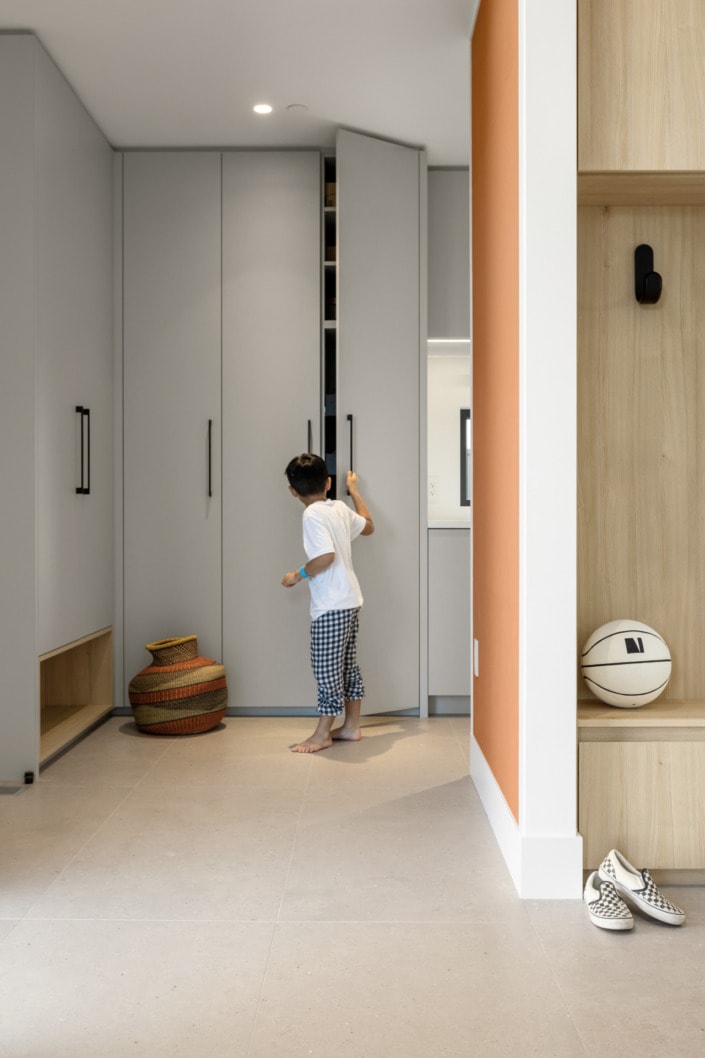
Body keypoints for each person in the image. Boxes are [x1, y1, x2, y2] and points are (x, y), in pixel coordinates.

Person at [281, 453, 374, 753]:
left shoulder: (312, 515)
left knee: (326, 670)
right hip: (350, 599)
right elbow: (369, 526)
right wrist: (355, 492)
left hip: (331, 605)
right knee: (347, 666)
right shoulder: (339, 507)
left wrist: (298, 574)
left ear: (293, 491)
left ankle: (322, 734)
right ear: (329, 482)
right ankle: (351, 726)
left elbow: (325, 557)